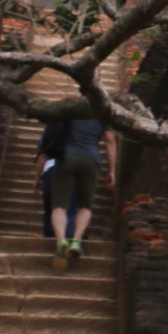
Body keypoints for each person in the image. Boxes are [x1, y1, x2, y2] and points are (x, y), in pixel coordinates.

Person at [43, 115, 114, 270]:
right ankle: (76, 240)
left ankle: (61, 240)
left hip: (67, 157)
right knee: (85, 207)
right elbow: (110, 141)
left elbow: (51, 132)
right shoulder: (102, 115)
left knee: (59, 207)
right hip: (91, 160)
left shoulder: (71, 109)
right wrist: (112, 170)